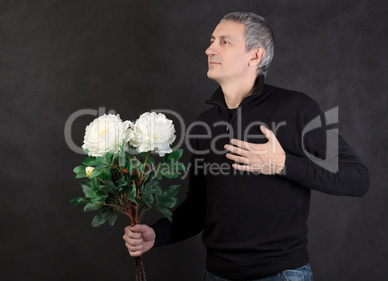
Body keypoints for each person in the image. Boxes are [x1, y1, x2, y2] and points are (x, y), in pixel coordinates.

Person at [123, 12, 369, 281]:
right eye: (212, 40)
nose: (210, 48)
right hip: (216, 275)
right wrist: (159, 234)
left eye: (224, 42)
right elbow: (198, 207)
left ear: (255, 56)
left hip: (281, 275)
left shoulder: (297, 109)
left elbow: (357, 178)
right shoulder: (205, 124)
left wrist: (283, 164)